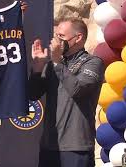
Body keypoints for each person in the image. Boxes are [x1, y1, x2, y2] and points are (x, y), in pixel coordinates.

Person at [29, 17, 105, 167]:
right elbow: (33, 94)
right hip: (49, 145)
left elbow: (78, 90)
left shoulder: (93, 62)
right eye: (56, 36)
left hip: (76, 147)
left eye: (61, 36)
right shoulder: (54, 64)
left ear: (78, 38)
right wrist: (37, 68)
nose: (56, 41)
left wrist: (57, 63)